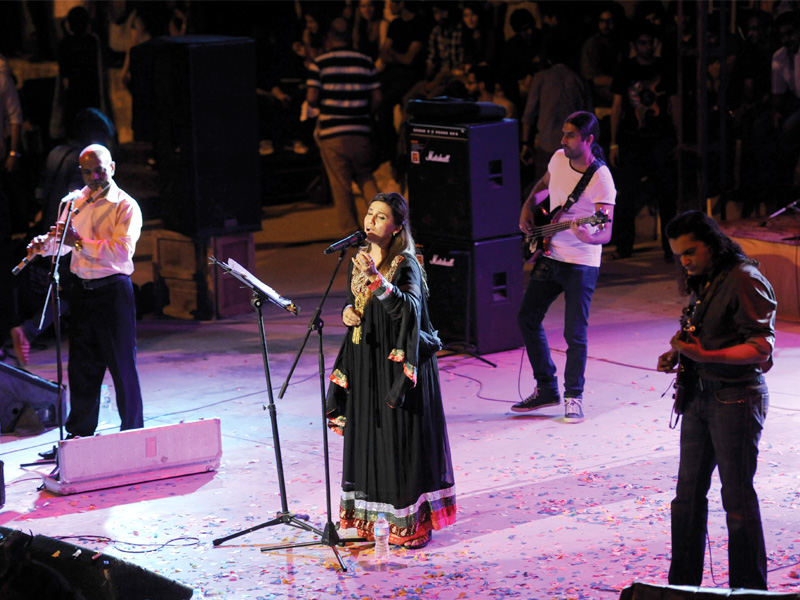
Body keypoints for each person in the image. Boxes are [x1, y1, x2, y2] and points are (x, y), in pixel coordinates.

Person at [325, 192, 456, 549]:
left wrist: (377, 280)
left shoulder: (406, 263)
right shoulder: (360, 257)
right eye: (370, 213)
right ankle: (370, 520)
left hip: (397, 364)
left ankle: (410, 523)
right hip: (366, 359)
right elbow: (360, 306)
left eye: (381, 217)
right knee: (369, 435)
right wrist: (347, 313)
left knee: (398, 439)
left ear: (397, 226)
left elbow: (409, 311)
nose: (371, 221)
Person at [657, 210, 776, 590]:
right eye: (679, 256)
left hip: (736, 399)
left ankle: (749, 590)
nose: (685, 262)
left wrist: (704, 357)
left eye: (691, 252)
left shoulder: (744, 278)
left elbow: (761, 349)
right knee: (686, 499)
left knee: (737, 500)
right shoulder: (704, 279)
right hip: (698, 397)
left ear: (713, 243)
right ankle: (682, 587)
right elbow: (704, 328)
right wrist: (679, 352)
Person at [24, 144, 144, 441]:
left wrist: (80, 243)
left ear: (112, 167)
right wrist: (44, 246)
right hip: (83, 291)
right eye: (87, 171)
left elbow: (121, 251)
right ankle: (78, 437)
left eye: (100, 170)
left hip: (113, 291)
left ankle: (132, 436)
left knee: (122, 367)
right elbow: (64, 243)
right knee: (82, 369)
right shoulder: (74, 202)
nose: (94, 177)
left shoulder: (125, 205)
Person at [514, 111, 616, 423]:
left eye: (570, 136)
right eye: (563, 134)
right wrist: (527, 208)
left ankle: (574, 396)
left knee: (575, 334)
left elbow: (606, 229)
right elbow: (543, 186)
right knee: (527, 318)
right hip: (551, 255)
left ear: (588, 140)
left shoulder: (601, 178)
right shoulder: (559, 158)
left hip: (581, 264)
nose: (563, 140)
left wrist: (589, 235)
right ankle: (546, 388)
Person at [11, 108, 117, 365]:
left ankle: (30, 330)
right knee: (71, 293)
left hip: (52, 225)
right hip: (71, 234)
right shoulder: (82, 165)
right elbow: (82, 203)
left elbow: (42, 192)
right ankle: (28, 330)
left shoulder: (55, 153)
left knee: (63, 291)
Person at [306, 17, 381, 232]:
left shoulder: (319, 63)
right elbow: (377, 97)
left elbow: (312, 98)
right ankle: (386, 222)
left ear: (329, 37)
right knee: (365, 176)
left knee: (341, 185)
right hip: (360, 130)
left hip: (332, 133)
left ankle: (352, 232)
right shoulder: (365, 61)